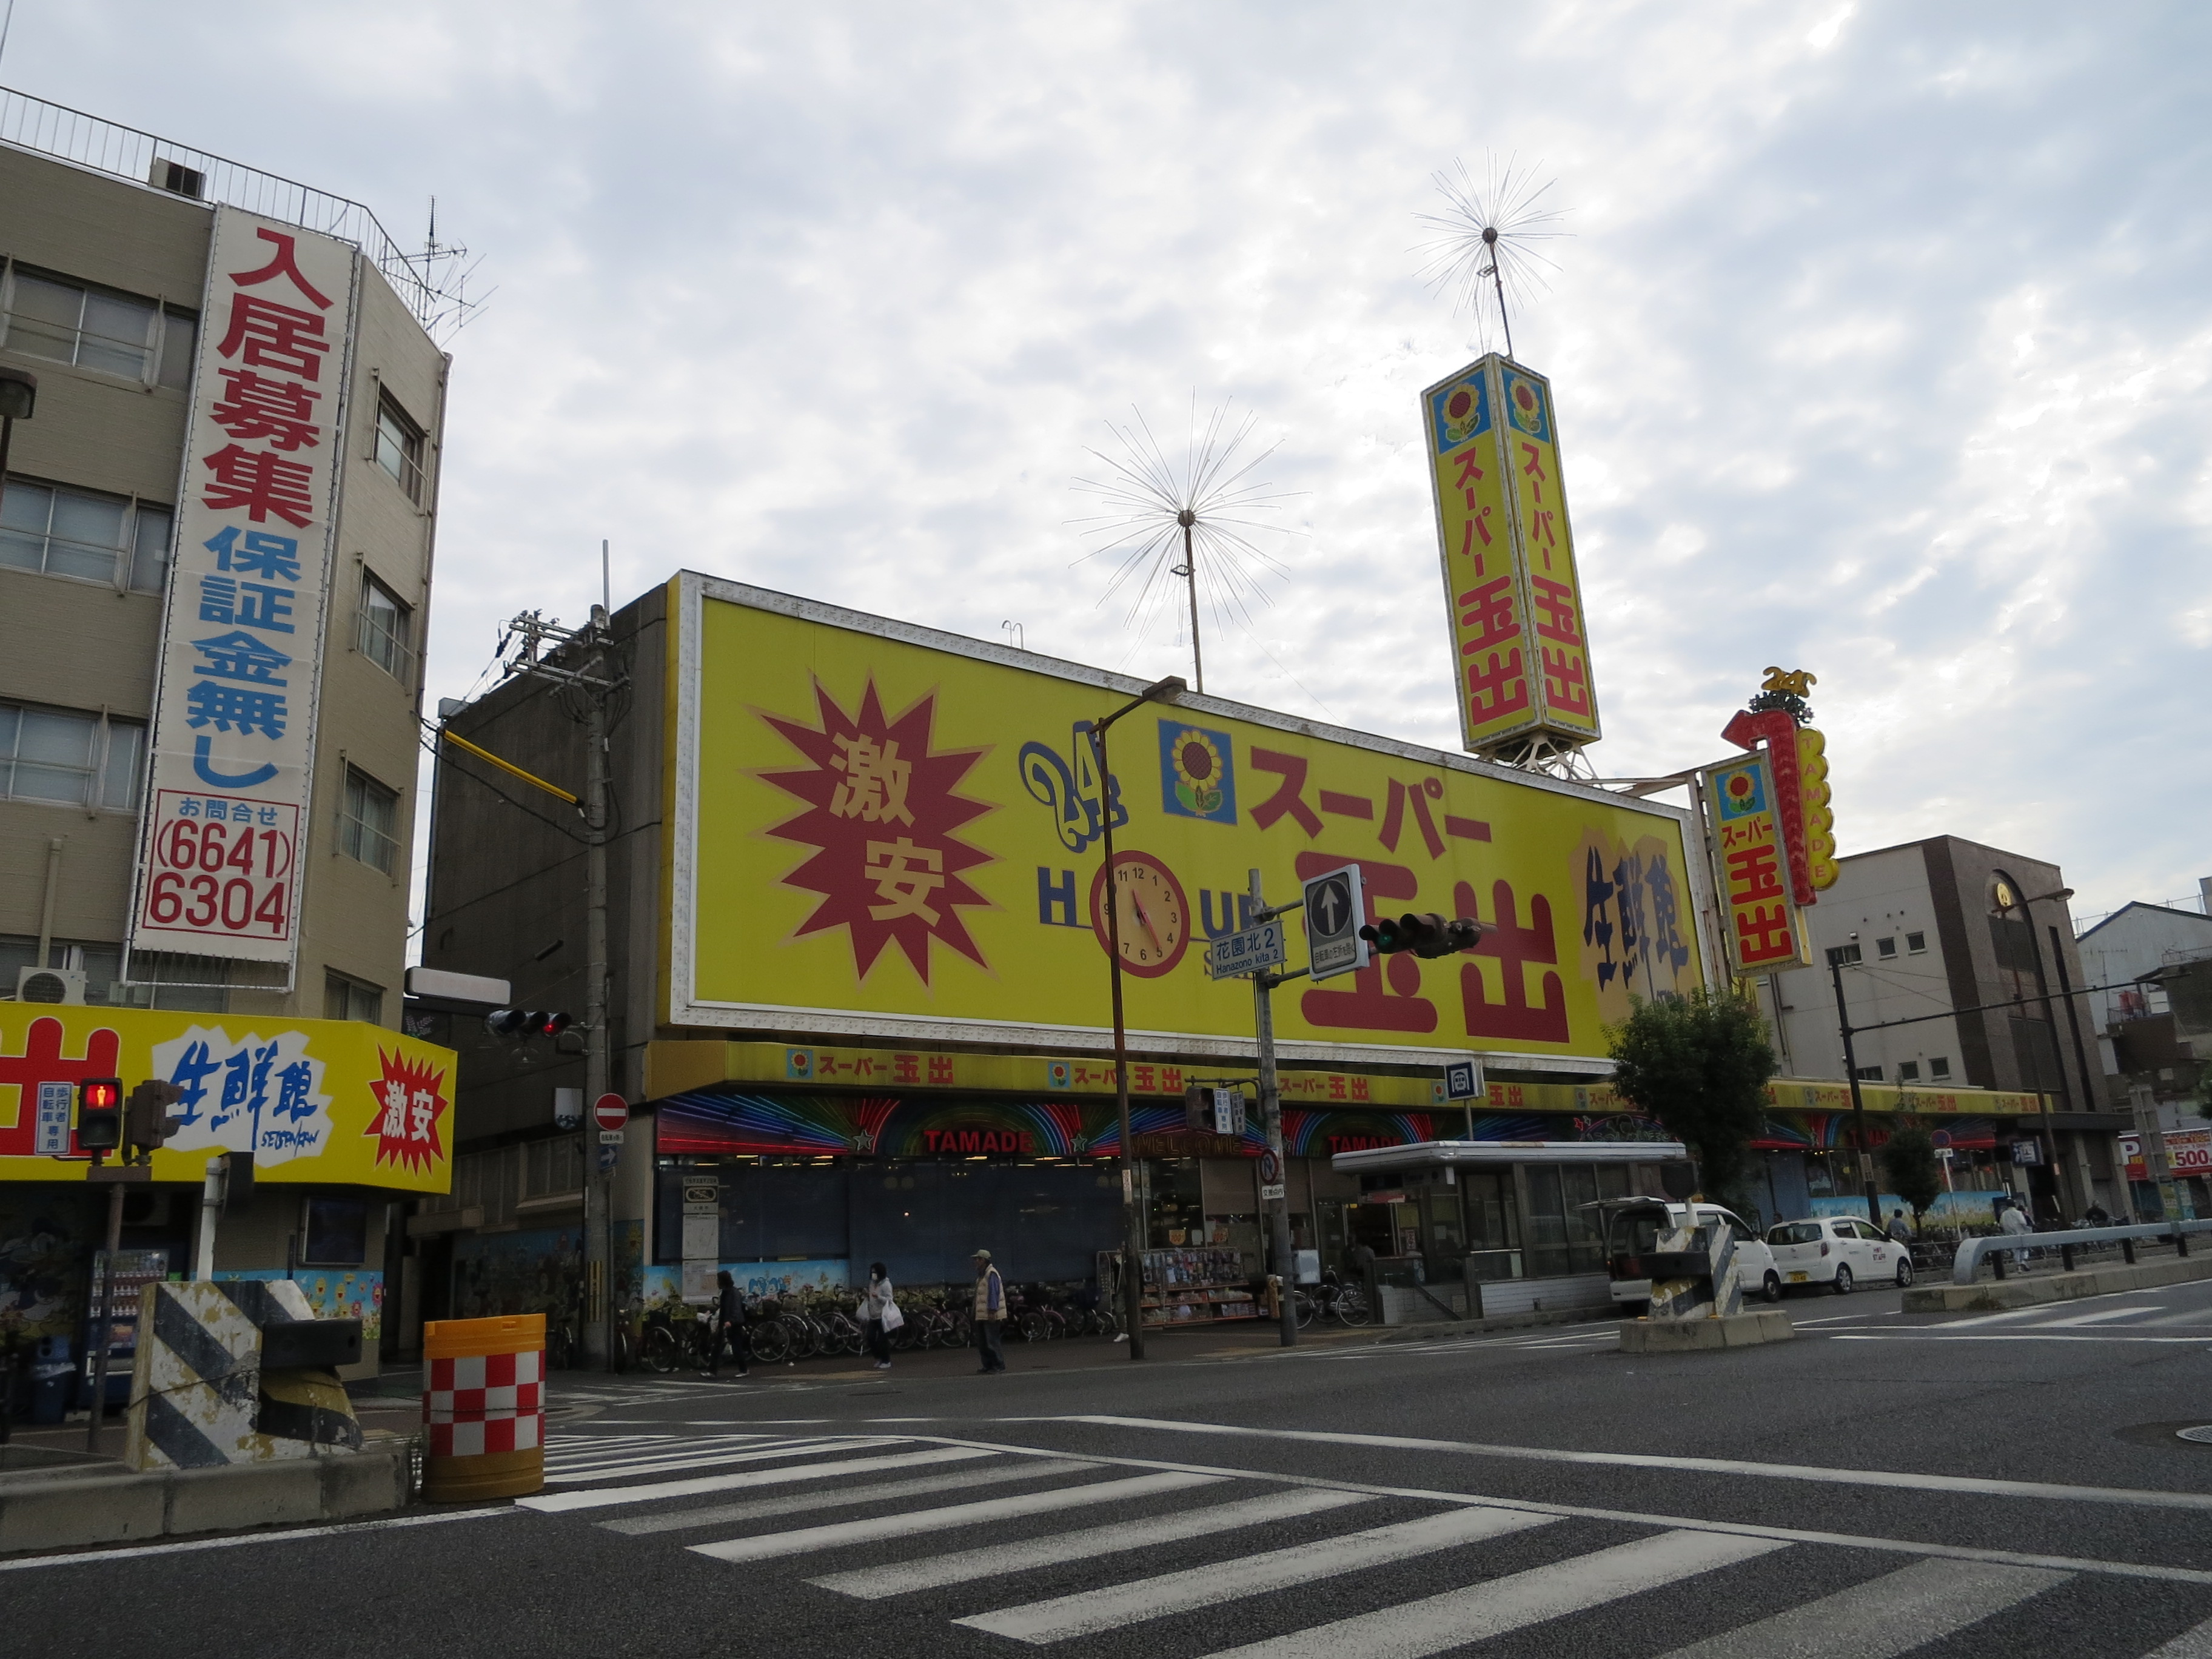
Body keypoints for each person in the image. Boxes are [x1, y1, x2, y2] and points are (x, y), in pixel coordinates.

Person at [702, 1270, 748, 1378]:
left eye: (718, 1280)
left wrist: (730, 1321)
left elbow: (735, 1309)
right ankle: (712, 1371)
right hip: (726, 1323)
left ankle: (744, 1369)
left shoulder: (732, 1293)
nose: (717, 1282)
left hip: (733, 1323)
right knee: (718, 1347)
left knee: (735, 1347)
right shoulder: (727, 1292)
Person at [971, 1248, 1007, 1374]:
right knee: (982, 1342)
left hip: (990, 1313)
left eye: (978, 1259)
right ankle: (988, 1365)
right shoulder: (982, 1274)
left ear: (985, 1261)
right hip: (981, 1314)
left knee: (992, 1341)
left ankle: (998, 1365)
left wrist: (992, 1310)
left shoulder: (991, 1274)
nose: (976, 1261)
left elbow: (993, 1293)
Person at [860, 1261, 895, 1370]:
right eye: (872, 1272)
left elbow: (889, 1301)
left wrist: (878, 1297)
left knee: (882, 1340)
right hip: (873, 1315)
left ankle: (886, 1360)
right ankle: (879, 1357)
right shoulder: (872, 1283)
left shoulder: (886, 1285)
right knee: (870, 1337)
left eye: (875, 1272)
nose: (873, 1274)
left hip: (882, 1316)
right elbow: (871, 1296)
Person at [1999, 1195, 2034, 1269]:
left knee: (2015, 1249)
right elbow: (2023, 1223)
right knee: (2024, 1248)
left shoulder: (2004, 1214)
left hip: (2010, 1234)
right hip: (2020, 1233)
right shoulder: (2018, 1213)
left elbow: (2001, 1224)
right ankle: (2023, 1261)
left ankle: (2018, 1266)